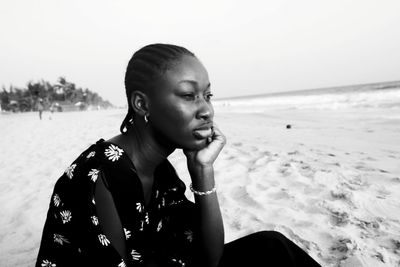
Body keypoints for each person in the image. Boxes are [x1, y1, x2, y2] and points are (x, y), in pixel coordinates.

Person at [35, 44, 321, 267]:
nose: (206, 110)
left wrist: (202, 171)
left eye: (207, 95)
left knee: (272, 248)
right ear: (142, 103)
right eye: (188, 95)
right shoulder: (104, 174)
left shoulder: (159, 170)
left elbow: (211, 258)